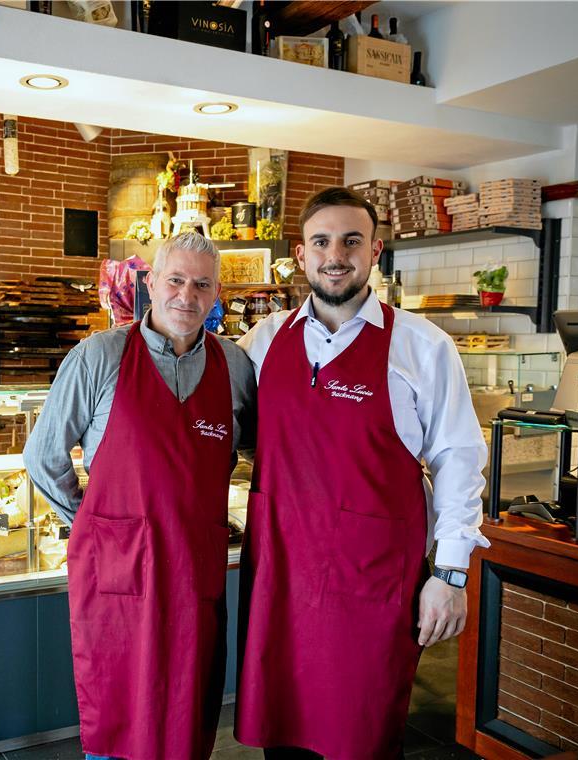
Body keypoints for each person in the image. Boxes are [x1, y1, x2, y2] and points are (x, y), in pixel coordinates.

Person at [234, 187, 489, 759]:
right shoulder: (262, 342)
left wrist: (449, 575)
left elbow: (459, 460)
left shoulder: (424, 345)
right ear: (300, 255)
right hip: (281, 575)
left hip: (374, 582)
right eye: (321, 241)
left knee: (364, 738)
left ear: (376, 251)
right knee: (283, 736)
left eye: (352, 241)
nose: (336, 255)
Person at [24, 231, 256, 760]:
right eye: (175, 280)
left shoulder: (234, 366)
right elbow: (43, 456)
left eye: (201, 285)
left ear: (216, 292)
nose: (187, 296)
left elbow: (260, 448)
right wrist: (95, 520)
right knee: (120, 707)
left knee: (186, 706)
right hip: (118, 571)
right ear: (150, 282)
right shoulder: (99, 356)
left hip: (195, 569)